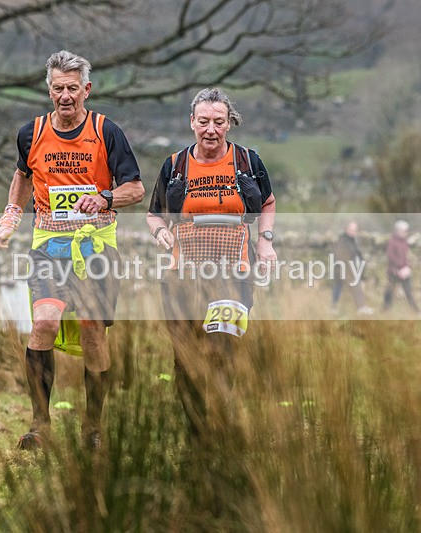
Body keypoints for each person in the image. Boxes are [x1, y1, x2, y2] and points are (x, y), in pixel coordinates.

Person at [0, 50, 145, 450]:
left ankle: (93, 427)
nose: (65, 96)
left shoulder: (106, 131)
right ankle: (40, 425)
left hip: (96, 247)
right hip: (49, 247)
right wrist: (11, 216)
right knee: (43, 323)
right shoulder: (31, 133)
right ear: (49, 90)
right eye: (58, 88)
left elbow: (136, 188)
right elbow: (23, 176)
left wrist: (106, 198)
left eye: (72, 88)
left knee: (93, 333)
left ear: (86, 90)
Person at [146, 87, 276, 440]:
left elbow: (266, 203)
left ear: (229, 124)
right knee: (186, 354)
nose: (211, 130)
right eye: (203, 121)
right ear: (192, 123)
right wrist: (160, 235)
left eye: (219, 122)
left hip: (235, 271)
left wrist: (265, 243)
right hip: (182, 275)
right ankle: (195, 429)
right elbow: (155, 216)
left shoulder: (248, 161)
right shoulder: (175, 165)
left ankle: (219, 422)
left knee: (223, 345)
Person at [331, 220, 373, 315]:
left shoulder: (354, 240)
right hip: (341, 268)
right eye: (351, 229)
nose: (353, 231)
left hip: (349, 268)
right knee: (344, 286)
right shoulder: (342, 240)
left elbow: (357, 253)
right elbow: (339, 256)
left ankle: (360, 307)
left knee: (341, 287)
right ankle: (360, 307)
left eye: (355, 230)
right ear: (346, 229)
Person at [382, 219, 420, 313]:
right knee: (390, 291)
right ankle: (385, 310)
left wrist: (407, 266)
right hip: (394, 271)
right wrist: (400, 266)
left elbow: (406, 257)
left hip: (404, 271)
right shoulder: (392, 242)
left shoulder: (404, 242)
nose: (405, 233)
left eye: (406, 231)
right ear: (398, 231)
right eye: (404, 231)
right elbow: (391, 256)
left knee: (408, 291)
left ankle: (415, 310)